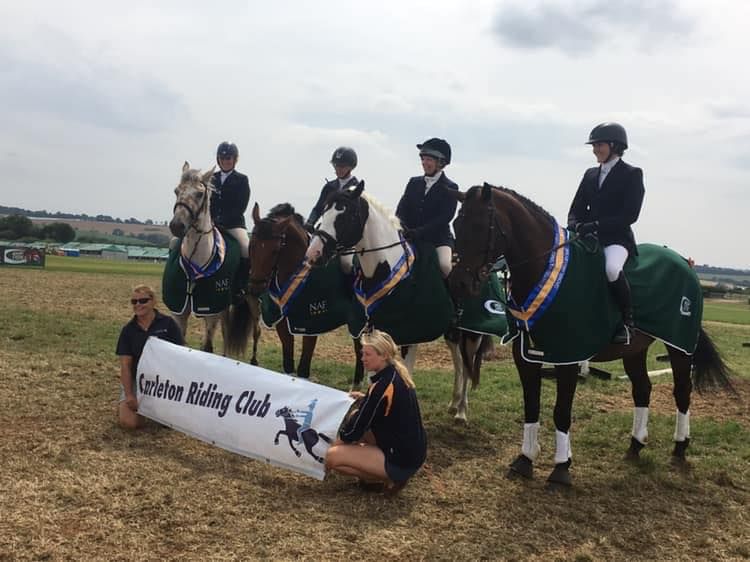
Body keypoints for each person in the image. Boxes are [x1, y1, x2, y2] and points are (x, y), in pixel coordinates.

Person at [567, 122, 645, 343]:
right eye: (594, 146)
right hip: (587, 237)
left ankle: (627, 322)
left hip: (616, 239)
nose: (595, 150)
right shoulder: (590, 174)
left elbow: (629, 215)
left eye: (599, 145)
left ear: (614, 145)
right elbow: (576, 207)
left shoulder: (631, 174)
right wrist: (575, 224)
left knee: (611, 269)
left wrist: (596, 225)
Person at [325, 329, 427, 495]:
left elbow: (353, 431)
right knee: (353, 416)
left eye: (367, 354)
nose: (362, 359)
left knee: (332, 457)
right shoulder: (395, 375)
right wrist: (366, 398)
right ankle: (379, 474)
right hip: (411, 451)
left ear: (384, 355)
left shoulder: (382, 386)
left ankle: (389, 478)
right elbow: (383, 407)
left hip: (401, 458)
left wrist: (329, 449)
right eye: (362, 353)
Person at [115, 285, 184, 429]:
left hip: (163, 381)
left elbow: (180, 357)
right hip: (137, 380)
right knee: (129, 423)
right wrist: (129, 395)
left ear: (153, 302)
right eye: (134, 302)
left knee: (170, 423)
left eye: (143, 301)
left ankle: (157, 410)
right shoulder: (128, 330)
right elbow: (125, 366)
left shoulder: (169, 324)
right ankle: (141, 410)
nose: (138, 305)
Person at [396, 137, 458, 278]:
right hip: (410, 235)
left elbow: (445, 218)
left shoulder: (451, 187)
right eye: (423, 159)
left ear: (441, 162)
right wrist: (401, 226)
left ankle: (454, 299)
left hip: (438, 239)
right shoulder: (413, 182)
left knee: (444, 265)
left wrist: (419, 231)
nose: (424, 163)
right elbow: (402, 208)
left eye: (429, 160)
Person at [212, 141, 251, 300]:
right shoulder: (211, 179)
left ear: (235, 160)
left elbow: (241, 205)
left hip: (233, 224)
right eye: (223, 158)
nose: (226, 160)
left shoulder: (242, 179)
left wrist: (223, 220)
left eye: (229, 158)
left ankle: (242, 286)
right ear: (218, 159)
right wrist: (211, 220)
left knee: (245, 248)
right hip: (211, 223)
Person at [305, 147, 359, 230]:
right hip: (327, 228)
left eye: (342, 166)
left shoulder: (356, 188)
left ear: (351, 167)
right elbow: (318, 208)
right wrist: (310, 222)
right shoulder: (329, 187)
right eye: (336, 165)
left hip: (346, 231)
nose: (338, 169)